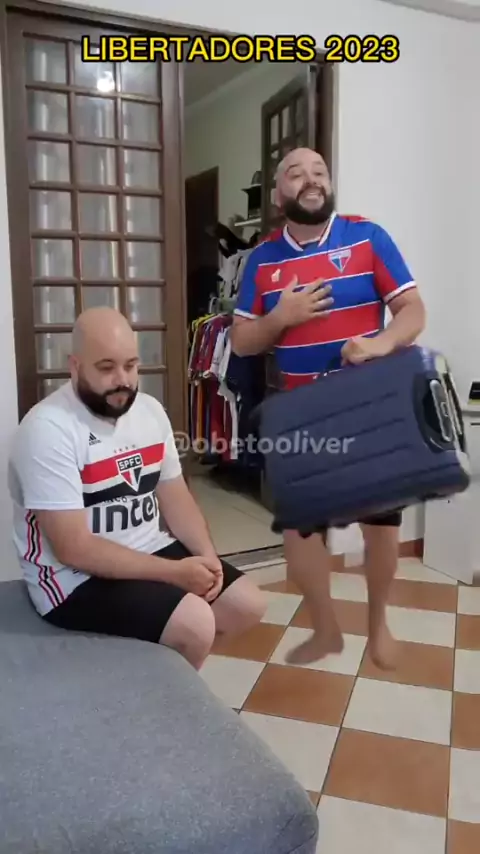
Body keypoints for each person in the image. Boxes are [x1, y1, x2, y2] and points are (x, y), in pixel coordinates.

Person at [230, 147, 426, 669]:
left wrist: (379, 345)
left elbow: (412, 310)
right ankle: (325, 629)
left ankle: (378, 625)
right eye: (296, 174)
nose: (311, 180)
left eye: (319, 171)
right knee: (300, 535)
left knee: (380, 528)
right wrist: (282, 317)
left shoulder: (368, 237)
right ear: (278, 195)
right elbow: (242, 341)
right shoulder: (261, 260)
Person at [8, 307, 266, 670]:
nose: (123, 380)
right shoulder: (47, 428)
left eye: (131, 366)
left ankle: (158, 675)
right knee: (195, 622)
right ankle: (157, 694)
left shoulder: (149, 411)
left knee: (247, 605)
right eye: (106, 368)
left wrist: (208, 558)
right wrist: (175, 574)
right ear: (75, 366)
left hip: (148, 547)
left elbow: (177, 500)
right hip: (72, 578)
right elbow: (73, 549)